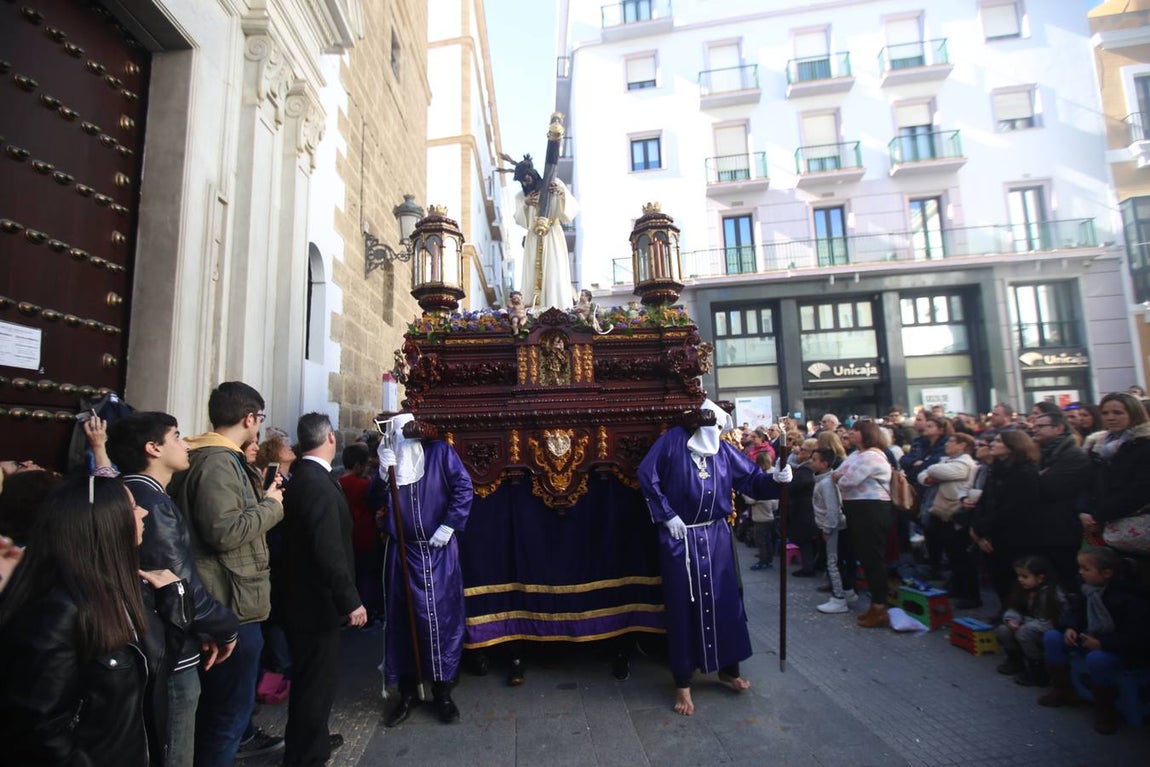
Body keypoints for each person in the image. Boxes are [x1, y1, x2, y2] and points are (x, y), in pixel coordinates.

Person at [0, 475, 192, 766]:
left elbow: (158, 673)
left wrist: (175, 600)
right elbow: (39, 728)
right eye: (131, 506)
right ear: (104, 522)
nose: (144, 512)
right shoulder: (59, 609)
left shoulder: (130, 587)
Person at [638, 399, 793, 716]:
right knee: (683, 605)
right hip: (681, 537)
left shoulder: (722, 450)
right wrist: (667, 516)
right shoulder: (672, 442)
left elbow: (749, 479)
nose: (718, 433)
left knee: (727, 600)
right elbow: (646, 474)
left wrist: (776, 479)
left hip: (717, 537)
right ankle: (683, 681)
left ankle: (729, 670)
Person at [107, 412, 241, 767]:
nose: (185, 445)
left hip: (150, 642)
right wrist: (224, 627)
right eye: (177, 437)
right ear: (153, 448)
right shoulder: (150, 505)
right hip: (167, 651)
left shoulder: (131, 493)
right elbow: (177, 585)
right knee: (174, 750)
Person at [167, 381, 286, 765]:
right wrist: (271, 504)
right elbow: (225, 531)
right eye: (260, 419)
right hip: (230, 600)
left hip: (225, 594)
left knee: (220, 713)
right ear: (249, 417)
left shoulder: (214, 457)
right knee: (227, 719)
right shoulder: (217, 462)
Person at [377, 413, 473, 727]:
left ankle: (443, 692)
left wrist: (449, 525)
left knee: (440, 620)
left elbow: (463, 488)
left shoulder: (440, 453)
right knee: (404, 621)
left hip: (437, 551)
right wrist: (381, 473)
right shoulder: (386, 460)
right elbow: (373, 505)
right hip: (402, 553)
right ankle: (406, 692)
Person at [280, 413, 365, 765]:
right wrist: (351, 602)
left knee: (312, 681)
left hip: (305, 601)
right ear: (331, 438)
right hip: (314, 604)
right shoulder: (315, 482)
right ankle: (307, 756)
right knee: (315, 684)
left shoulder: (307, 476)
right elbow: (328, 550)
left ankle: (310, 741)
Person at [1039, 547, 1150, 734]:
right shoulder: (1086, 590)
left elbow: (1137, 637)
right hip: (1089, 638)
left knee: (1097, 659)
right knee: (1052, 637)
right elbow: (1076, 613)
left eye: (1086, 568)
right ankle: (1062, 690)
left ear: (1107, 573)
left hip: (1122, 651)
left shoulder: (1130, 599)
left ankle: (1106, 712)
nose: (1080, 572)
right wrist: (1070, 628)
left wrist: (1103, 643)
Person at [970, 431, 1042, 617]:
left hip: (1012, 536)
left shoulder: (1025, 473)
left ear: (1012, 446)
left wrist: (984, 530)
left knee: (1012, 579)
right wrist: (978, 531)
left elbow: (1012, 509)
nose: (992, 443)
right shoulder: (996, 469)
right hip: (990, 534)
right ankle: (1005, 611)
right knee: (998, 577)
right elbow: (985, 501)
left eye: (998, 441)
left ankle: (1016, 616)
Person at [833, 420, 894, 628]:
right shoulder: (857, 454)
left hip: (872, 509)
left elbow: (846, 480)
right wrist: (840, 476)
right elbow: (838, 473)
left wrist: (840, 477)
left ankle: (879, 607)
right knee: (866, 557)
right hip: (858, 510)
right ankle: (875, 605)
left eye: (856, 430)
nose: (851, 433)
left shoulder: (871, 456)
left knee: (873, 557)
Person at [1030, 410, 1091, 591]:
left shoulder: (1072, 454)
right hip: (1046, 525)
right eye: (1035, 426)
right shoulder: (1043, 453)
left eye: (1041, 426)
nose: (1035, 430)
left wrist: (1037, 478)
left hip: (1063, 526)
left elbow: (1049, 488)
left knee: (1067, 576)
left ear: (1059, 429)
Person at [509, 153, 580, 310]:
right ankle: (533, 307)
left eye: (525, 176)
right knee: (532, 271)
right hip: (533, 237)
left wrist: (561, 192)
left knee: (554, 270)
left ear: (532, 173)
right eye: (521, 179)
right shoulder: (521, 196)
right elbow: (519, 218)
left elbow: (572, 209)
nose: (524, 181)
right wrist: (526, 204)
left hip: (553, 233)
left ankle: (557, 307)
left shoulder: (553, 184)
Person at [1081, 392, 1150, 536]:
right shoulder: (1097, 445)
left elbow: (1140, 490)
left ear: (1134, 414)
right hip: (1104, 521)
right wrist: (1085, 511)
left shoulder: (1144, 444)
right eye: (1105, 413)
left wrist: (1099, 515)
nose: (1110, 418)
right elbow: (1089, 483)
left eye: (1118, 413)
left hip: (1135, 522)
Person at [996, 554, 1066, 687]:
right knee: (1004, 630)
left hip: (1044, 630)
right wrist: (1012, 619)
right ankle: (1015, 661)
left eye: (1025, 577)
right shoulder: (1022, 589)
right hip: (1028, 624)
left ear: (1040, 578)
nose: (1020, 580)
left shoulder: (1051, 594)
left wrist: (1026, 626)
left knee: (1023, 633)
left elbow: (1050, 621)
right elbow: (1015, 608)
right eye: (1019, 576)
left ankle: (1037, 671)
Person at [340, 442, 385, 624]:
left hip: (348, 535)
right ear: (359, 465)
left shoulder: (339, 482)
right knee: (368, 575)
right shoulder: (363, 485)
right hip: (365, 534)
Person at [811, 447, 854, 614]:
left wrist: (828, 528)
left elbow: (832, 509)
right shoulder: (822, 481)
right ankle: (848, 591)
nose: (811, 462)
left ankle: (839, 598)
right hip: (829, 526)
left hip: (832, 528)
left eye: (815, 460)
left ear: (824, 463)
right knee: (836, 560)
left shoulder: (827, 483)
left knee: (833, 562)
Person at [787, 438, 819, 577]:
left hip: (805, 510)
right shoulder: (803, 469)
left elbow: (796, 486)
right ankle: (809, 565)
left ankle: (809, 567)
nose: (799, 451)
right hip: (802, 509)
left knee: (805, 539)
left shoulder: (807, 470)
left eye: (804, 449)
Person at [745, 452, 778, 571]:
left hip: (762, 514)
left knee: (761, 540)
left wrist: (746, 495)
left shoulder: (763, 478)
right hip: (770, 513)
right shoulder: (773, 474)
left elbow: (751, 499)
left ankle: (764, 560)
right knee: (767, 539)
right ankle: (768, 557)